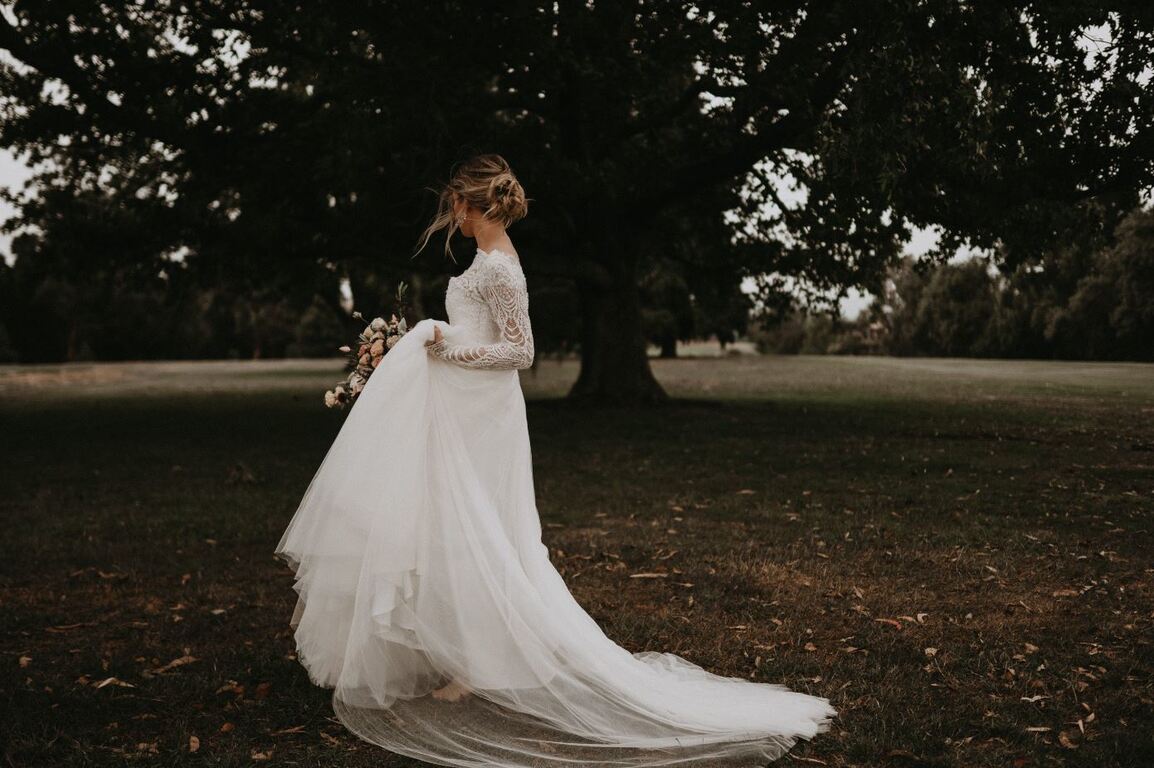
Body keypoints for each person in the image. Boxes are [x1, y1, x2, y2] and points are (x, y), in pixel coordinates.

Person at [274, 153, 837, 767]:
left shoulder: (500, 270)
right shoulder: (484, 263)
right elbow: (486, 335)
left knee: (489, 533)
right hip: (463, 411)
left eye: (456, 205)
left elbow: (519, 350)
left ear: (473, 204)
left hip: (484, 413)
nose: (451, 217)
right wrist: (436, 342)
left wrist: (441, 348)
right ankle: (460, 654)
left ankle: (474, 664)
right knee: (455, 530)